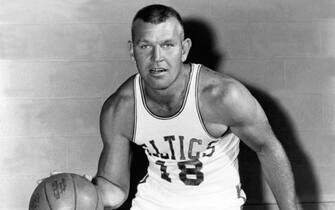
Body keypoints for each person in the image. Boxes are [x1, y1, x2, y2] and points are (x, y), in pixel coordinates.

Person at [93, 4, 298, 210]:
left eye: (167, 45)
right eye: (145, 46)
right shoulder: (120, 108)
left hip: (217, 204)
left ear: (183, 49)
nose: (157, 58)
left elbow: (267, 148)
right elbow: (115, 189)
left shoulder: (222, 96)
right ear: (132, 51)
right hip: (152, 204)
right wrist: (81, 193)